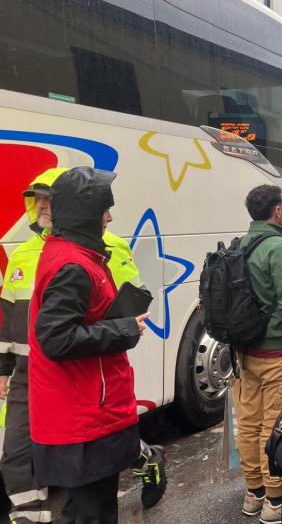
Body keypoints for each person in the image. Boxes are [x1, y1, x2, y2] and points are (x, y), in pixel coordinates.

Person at [0, 168, 166, 522]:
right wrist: (125, 328)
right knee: (92, 509)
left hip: (80, 398)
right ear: (86, 210)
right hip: (81, 405)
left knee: (85, 507)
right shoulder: (72, 263)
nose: (110, 215)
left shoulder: (76, 253)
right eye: (105, 207)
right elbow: (56, 337)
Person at [235, 185, 282, 523]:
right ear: (278, 211)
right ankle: (276, 500)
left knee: (249, 424)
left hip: (245, 353)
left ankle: (254, 494)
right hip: (278, 354)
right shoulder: (279, 248)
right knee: (274, 427)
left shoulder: (241, 245)